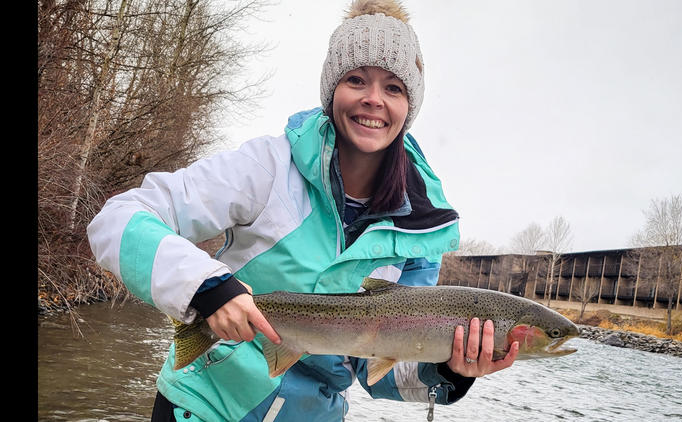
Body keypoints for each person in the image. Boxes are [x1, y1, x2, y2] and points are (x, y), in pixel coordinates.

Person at [87, 1, 518, 420]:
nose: (373, 99)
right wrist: (206, 287)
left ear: (409, 107)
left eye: (394, 87)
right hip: (203, 407)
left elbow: (379, 372)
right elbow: (119, 218)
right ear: (332, 90)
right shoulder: (267, 167)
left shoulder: (422, 231)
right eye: (355, 80)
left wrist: (449, 371)